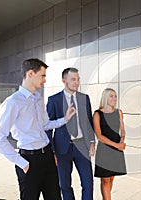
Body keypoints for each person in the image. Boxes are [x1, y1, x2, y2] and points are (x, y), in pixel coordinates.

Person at [0, 58, 76, 200]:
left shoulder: (38, 98)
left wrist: (65, 119)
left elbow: (45, 125)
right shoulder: (13, 102)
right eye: (42, 76)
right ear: (31, 73)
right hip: (29, 161)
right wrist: (22, 163)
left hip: (47, 157)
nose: (44, 80)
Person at [46, 68, 95, 200]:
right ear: (64, 80)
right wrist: (52, 151)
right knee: (65, 185)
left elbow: (89, 123)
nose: (77, 82)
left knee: (88, 183)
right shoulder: (54, 100)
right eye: (73, 79)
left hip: (82, 147)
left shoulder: (84, 98)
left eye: (78, 79)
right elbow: (48, 127)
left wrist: (91, 142)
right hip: (62, 149)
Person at [93, 88, 127, 200]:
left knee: (111, 178)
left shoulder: (119, 112)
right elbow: (99, 136)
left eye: (115, 96)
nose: (114, 98)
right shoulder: (97, 114)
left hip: (116, 150)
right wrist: (117, 145)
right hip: (104, 151)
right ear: (105, 97)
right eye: (111, 96)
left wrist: (122, 140)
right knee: (105, 180)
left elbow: (122, 130)